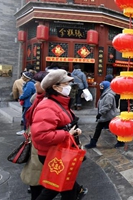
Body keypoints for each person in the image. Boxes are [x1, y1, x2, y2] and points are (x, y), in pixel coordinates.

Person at [30, 69, 87, 200]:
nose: (69, 86)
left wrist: (73, 131)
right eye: (66, 84)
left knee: (63, 186)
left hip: (60, 151)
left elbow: (63, 124)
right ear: (55, 87)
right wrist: (67, 133)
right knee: (57, 187)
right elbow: (41, 135)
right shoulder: (47, 106)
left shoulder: (60, 102)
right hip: (53, 154)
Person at [20, 71, 48, 200]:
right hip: (34, 142)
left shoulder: (46, 102)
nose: (34, 84)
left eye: (37, 82)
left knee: (38, 172)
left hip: (39, 144)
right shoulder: (38, 98)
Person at [85, 81, 117, 149]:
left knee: (103, 128)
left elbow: (107, 106)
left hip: (108, 116)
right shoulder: (105, 94)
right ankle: (93, 142)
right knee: (101, 128)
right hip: (105, 116)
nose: (100, 88)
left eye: (102, 87)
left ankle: (93, 142)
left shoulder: (108, 95)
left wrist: (100, 113)